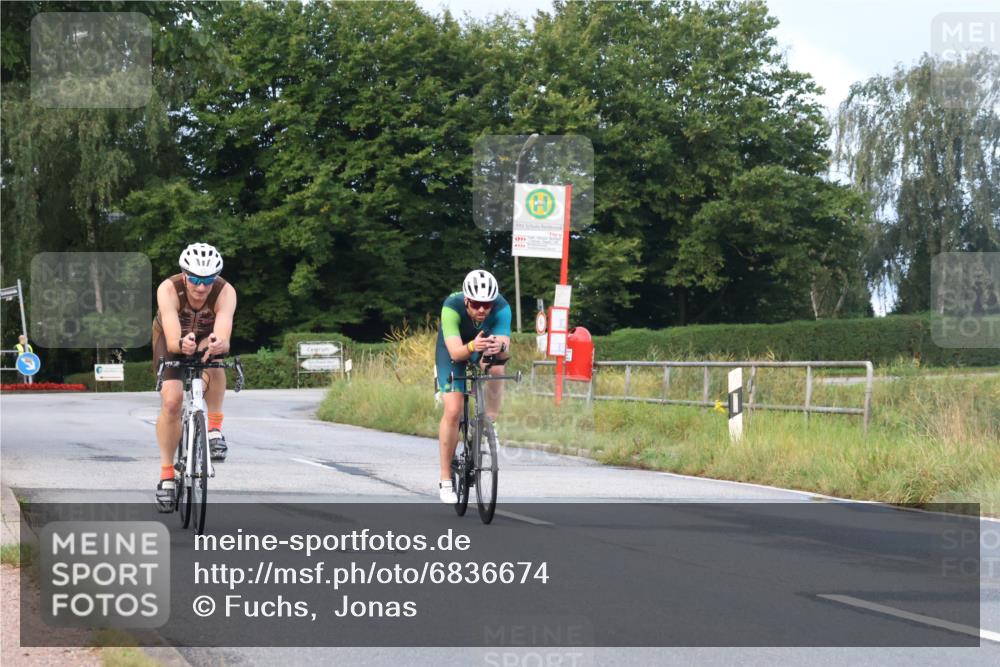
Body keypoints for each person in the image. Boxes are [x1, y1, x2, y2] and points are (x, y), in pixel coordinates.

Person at [151, 243, 237, 512]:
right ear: (185, 275)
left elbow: (224, 334)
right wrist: (180, 343)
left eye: (208, 281)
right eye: (196, 280)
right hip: (171, 338)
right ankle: (167, 476)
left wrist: (218, 344)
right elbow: (172, 331)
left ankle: (213, 429)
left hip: (204, 338)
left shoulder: (225, 292)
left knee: (216, 361)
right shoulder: (168, 289)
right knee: (173, 402)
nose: (202, 288)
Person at [435, 270, 511, 504]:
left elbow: (506, 352)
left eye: (486, 305)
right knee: (453, 410)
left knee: (498, 369)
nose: (482, 310)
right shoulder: (451, 306)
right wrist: (472, 347)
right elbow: (457, 353)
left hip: (481, 346)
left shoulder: (502, 308)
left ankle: (490, 422)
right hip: (454, 351)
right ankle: (446, 478)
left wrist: (498, 347)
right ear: (467, 300)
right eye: (476, 304)